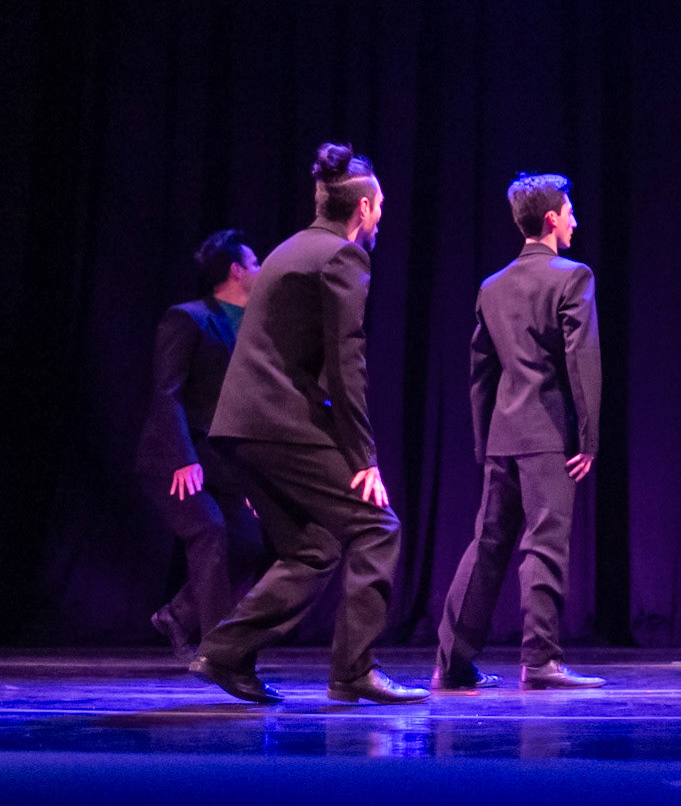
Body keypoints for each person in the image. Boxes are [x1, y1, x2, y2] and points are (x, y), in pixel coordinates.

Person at [190, 143, 427, 705]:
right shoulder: (342, 257)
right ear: (364, 208)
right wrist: (363, 458)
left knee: (313, 547)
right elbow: (346, 363)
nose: (382, 217)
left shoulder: (288, 249)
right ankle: (354, 672)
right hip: (276, 422)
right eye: (381, 206)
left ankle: (224, 652)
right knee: (377, 526)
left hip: (243, 426)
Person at [434, 173, 604, 691]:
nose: (575, 220)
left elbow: (480, 373)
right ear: (551, 219)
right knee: (544, 544)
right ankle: (541, 660)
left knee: (487, 544)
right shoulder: (573, 277)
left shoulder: (493, 285)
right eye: (569, 212)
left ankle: (451, 663)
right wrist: (588, 437)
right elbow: (582, 361)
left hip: (503, 435)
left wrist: (484, 443)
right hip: (548, 434)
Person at [135, 229, 265, 663]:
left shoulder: (254, 328)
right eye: (255, 262)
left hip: (221, 462)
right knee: (209, 529)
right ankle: (220, 653)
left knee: (247, 540)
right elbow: (167, 392)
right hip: (174, 459)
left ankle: (177, 615)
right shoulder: (188, 318)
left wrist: (250, 480)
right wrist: (183, 459)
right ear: (237, 270)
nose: (261, 268)